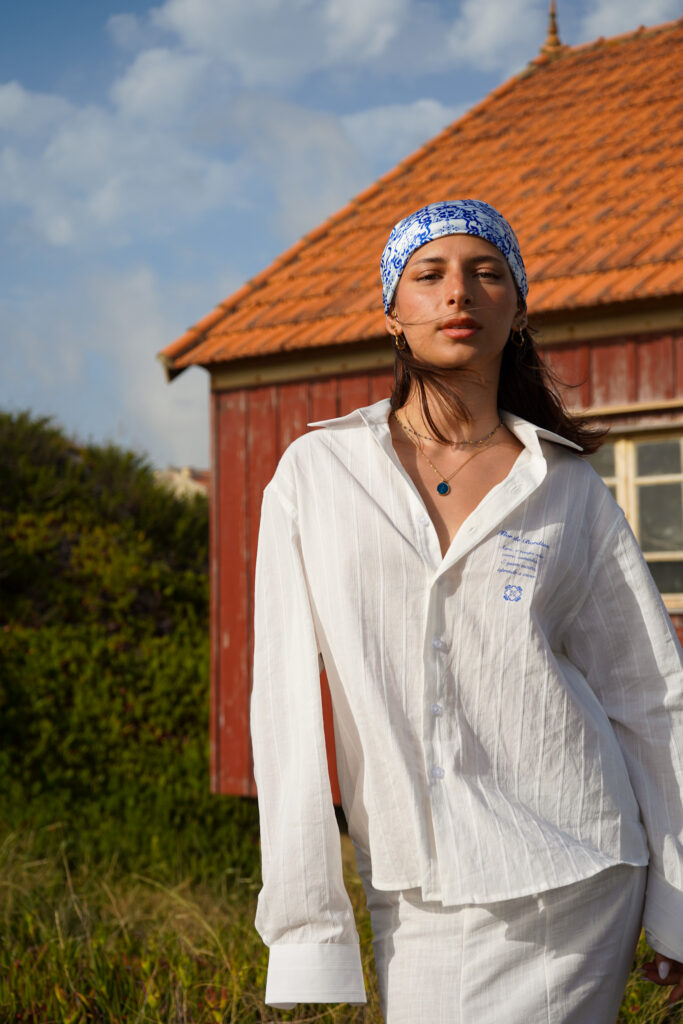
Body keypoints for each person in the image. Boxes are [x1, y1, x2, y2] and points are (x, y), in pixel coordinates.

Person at [250, 199, 683, 1022]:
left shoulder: (567, 489)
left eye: (487, 273)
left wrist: (680, 900)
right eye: (430, 275)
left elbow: (649, 696)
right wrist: (306, 928)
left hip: (578, 873)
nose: (459, 293)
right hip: (414, 882)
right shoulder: (317, 472)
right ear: (392, 311)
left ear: (515, 310)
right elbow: (281, 708)